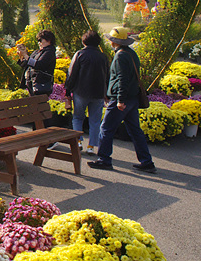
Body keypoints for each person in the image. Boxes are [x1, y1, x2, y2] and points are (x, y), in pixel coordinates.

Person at [88, 27, 157, 173]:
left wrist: (120, 100)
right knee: (135, 130)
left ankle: (104, 159)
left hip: (122, 99)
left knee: (106, 128)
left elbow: (122, 79)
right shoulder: (131, 53)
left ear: (114, 41)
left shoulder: (120, 56)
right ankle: (147, 161)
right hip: (132, 98)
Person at [64, 29, 110, 155]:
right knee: (95, 121)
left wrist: (67, 91)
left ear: (84, 41)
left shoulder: (80, 54)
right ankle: (91, 146)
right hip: (98, 93)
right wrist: (107, 94)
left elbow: (72, 74)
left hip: (81, 91)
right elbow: (107, 76)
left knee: (78, 117)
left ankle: (78, 141)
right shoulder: (103, 57)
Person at [16, 29, 56, 96]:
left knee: (40, 102)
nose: (39, 43)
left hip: (41, 86)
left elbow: (39, 65)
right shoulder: (36, 52)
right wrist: (21, 55)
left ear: (49, 40)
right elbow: (25, 64)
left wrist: (25, 55)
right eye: (38, 40)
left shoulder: (49, 52)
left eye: (40, 40)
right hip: (31, 85)